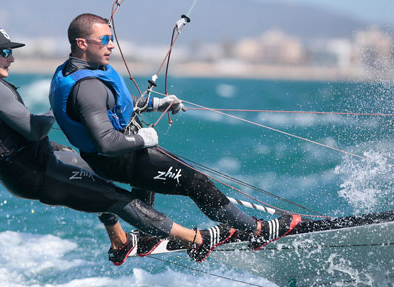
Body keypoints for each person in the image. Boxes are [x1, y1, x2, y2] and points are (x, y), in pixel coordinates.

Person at [0, 26, 236, 267]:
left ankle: (119, 239)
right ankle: (196, 240)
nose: (11, 59)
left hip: (28, 167)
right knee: (117, 198)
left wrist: (150, 104)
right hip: (37, 171)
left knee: (94, 170)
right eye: (5, 53)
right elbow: (33, 130)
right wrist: (59, 109)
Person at [49, 13, 301, 258]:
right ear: (82, 43)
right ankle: (258, 231)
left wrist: (156, 104)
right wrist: (142, 140)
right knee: (197, 183)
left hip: (119, 156)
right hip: (118, 159)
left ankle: (148, 236)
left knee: (147, 181)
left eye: (111, 38)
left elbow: (116, 102)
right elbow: (106, 142)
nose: (111, 45)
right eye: (104, 40)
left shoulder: (76, 71)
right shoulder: (87, 88)